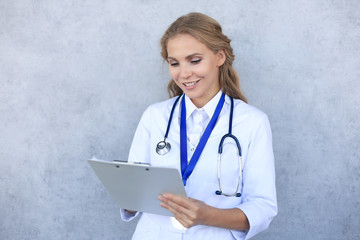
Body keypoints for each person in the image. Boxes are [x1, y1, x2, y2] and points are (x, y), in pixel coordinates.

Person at [120, 12, 277, 240]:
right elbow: (133, 191)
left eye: (194, 60)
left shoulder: (252, 122)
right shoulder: (155, 116)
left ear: (219, 57)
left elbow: (263, 207)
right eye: (175, 63)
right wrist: (129, 198)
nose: (184, 74)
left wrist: (207, 215)